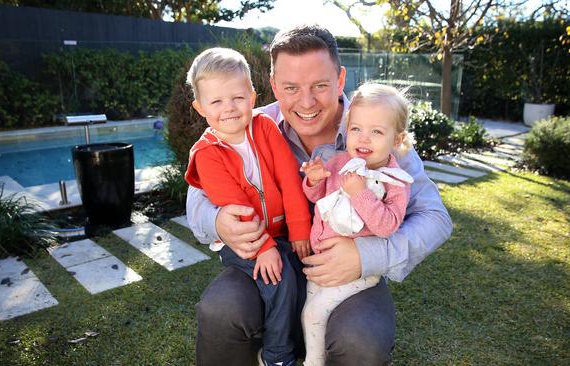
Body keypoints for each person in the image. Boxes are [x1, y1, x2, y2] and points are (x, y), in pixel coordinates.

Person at [187, 24, 453, 366]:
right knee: (220, 309)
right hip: (272, 258)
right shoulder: (249, 125)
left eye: (320, 86)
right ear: (272, 87)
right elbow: (197, 197)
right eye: (291, 88)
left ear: (341, 79)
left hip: (349, 272)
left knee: (361, 340)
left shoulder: (375, 130)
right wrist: (218, 221)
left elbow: (436, 218)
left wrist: (365, 255)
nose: (307, 102)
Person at [183, 47, 312, 366]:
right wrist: (265, 247)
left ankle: (304, 345)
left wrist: (299, 231)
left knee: (302, 272)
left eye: (237, 97)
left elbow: (289, 181)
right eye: (216, 102)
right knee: (279, 280)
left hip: (281, 232)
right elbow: (237, 208)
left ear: (252, 96)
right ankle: (278, 356)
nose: (229, 108)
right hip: (243, 242)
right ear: (200, 107)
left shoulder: (265, 128)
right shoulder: (207, 154)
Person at [300, 83, 414, 366]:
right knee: (310, 311)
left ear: (397, 139)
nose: (364, 138)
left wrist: (359, 193)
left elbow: (387, 226)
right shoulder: (340, 162)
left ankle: (313, 362)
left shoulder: (394, 181)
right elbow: (318, 199)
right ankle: (320, 355)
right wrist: (314, 180)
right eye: (356, 129)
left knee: (313, 314)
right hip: (322, 261)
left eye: (376, 131)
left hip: (360, 271)